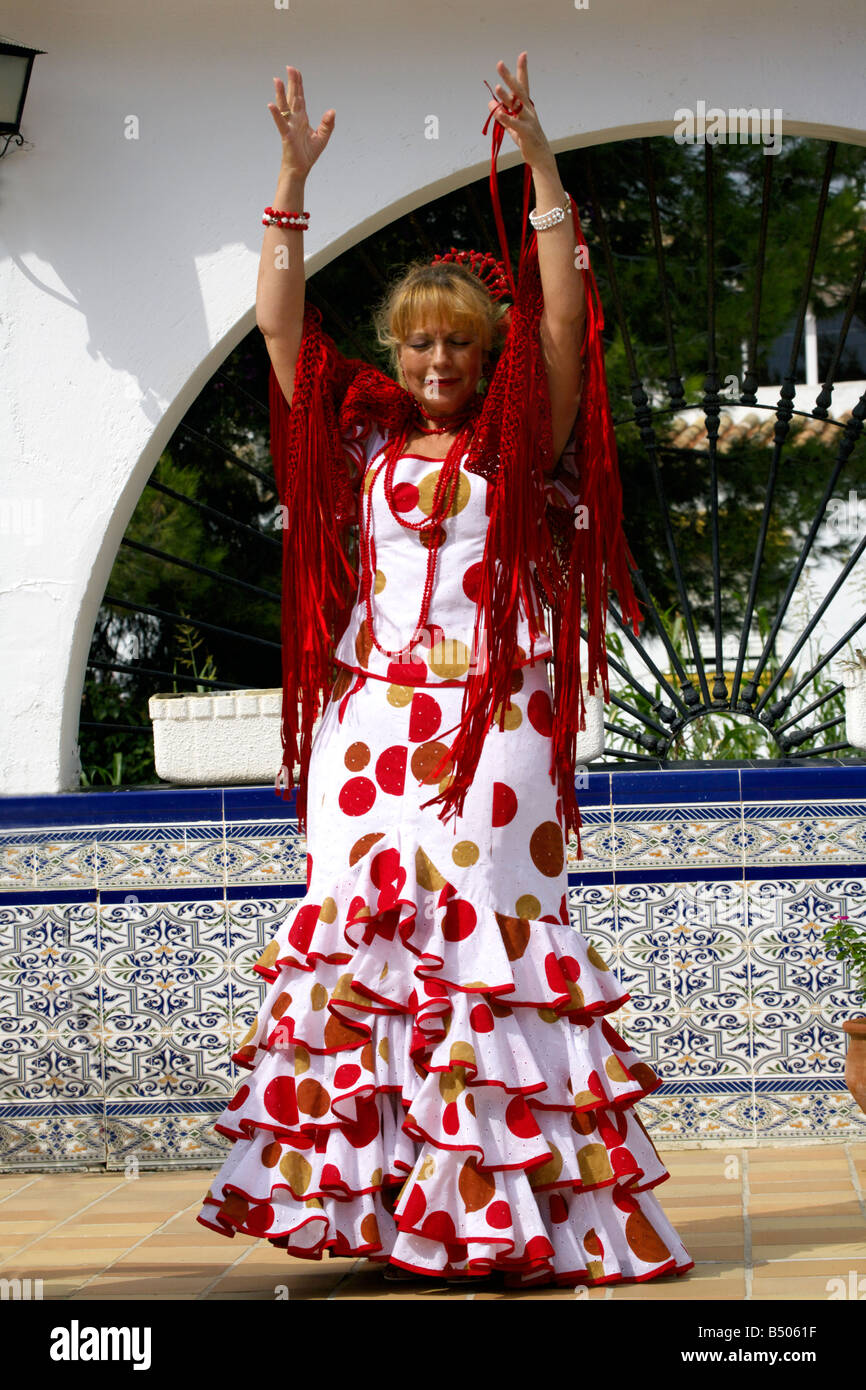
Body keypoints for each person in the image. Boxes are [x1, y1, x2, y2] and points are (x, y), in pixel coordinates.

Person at [196, 53, 695, 1291]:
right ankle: (383, 1213)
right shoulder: (363, 428)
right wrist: (289, 184)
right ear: (396, 350)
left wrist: (537, 165)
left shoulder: (523, 430)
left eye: (454, 344)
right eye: (416, 342)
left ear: (482, 356)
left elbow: (564, 318)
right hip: (371, 723)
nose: (432, 361)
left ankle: (516, 1211)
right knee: (364, 945)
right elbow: (275, 328)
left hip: (497, 717)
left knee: (487, 937)